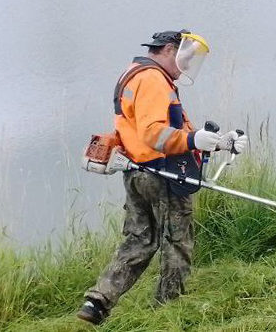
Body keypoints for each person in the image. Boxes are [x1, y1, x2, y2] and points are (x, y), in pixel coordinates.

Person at [77, 30, 247, 325]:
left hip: (136, 172)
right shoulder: (154, 79)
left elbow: (175, 127)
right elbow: (154, 133)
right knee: (178, 242)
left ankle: (97, 301)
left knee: (140, 240)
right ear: (169, 49)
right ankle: (168, 309)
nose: (187, 66)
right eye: (186, 58)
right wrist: (193, 140)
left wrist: (220, 141)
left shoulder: (134, 73)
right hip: (163, 173)